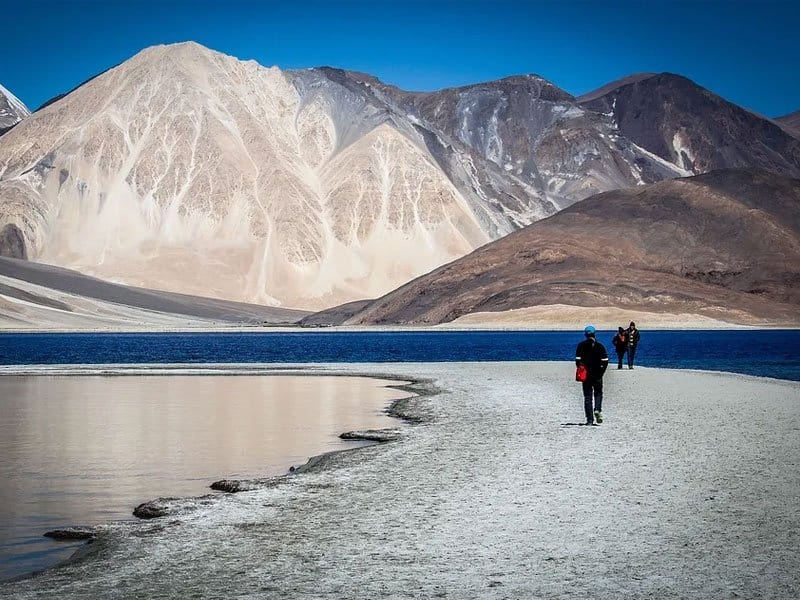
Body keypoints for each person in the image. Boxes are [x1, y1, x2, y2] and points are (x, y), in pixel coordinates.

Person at [575, 325, 609, 425]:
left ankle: (589, 420)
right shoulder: (600, 346)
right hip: (597, 374)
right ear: (595, 334)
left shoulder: (581, 346)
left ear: (585, 335)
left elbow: (577, 361)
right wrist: (601, 372)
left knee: (587, 396)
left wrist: (581, 370)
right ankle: (597, 409)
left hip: (586, 375)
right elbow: (605, 361)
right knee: (598, 393)